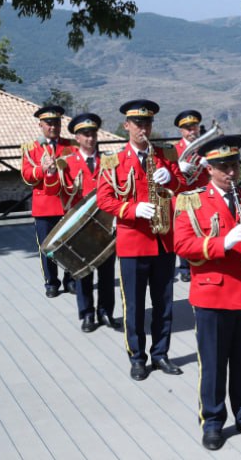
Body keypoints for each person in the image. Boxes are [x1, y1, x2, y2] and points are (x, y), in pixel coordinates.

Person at [173, 135, 241, 450]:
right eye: (223, 167)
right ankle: (212, 421)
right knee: (214, 362)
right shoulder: (192, 200)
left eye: (234, 165)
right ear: (209, 168)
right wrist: (221, 243)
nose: (232, 173)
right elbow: (182, 245)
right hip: (214, 295)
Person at [96, 99, 188, 381]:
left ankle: (161, 354)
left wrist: (171, 178)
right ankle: (137, 357)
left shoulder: (165, 154)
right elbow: (104, 199)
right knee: (134, 306)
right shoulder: (113, 161)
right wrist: (132, 209)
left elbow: (182, 186)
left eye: (147, 123)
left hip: (163, 240)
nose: (143, 129)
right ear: (127, 126)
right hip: (134, 241)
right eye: (137, 124)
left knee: (164, 303)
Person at [50, 113, 119, 332]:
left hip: (106, 224)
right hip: (80, 227)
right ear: (77, 138)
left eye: (92, 134)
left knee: (107, 273)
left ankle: (106, 311)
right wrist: (50, 173)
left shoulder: (109, 161)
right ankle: (87, 314)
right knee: (83, 272)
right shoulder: (67, 163)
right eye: (85, 135)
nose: (90, 138)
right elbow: (57, 192)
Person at [20, 104, 76, 297]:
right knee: (47, 248)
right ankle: (51, 282)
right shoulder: (31, 149)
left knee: (70, 245)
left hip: (67, 204)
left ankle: (71, 279)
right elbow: (27, 176)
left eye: (56, 123)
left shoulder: (71, 146)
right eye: (49, 123)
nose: (53, 127)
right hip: (44, 207)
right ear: (40, 125)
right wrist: (42, 170)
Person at [173, 109, 210, 283]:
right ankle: (184, 267)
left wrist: (208, 162)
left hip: (202, 192)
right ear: (181, 131)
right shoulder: (174, 150)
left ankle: (202, 260)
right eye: (187, 128)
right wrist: (178, 167)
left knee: (203, 228)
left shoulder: (206, 148)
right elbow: (166, 174)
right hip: (183, 195)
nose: (191, 131)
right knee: (184, 231)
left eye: (194, 127)